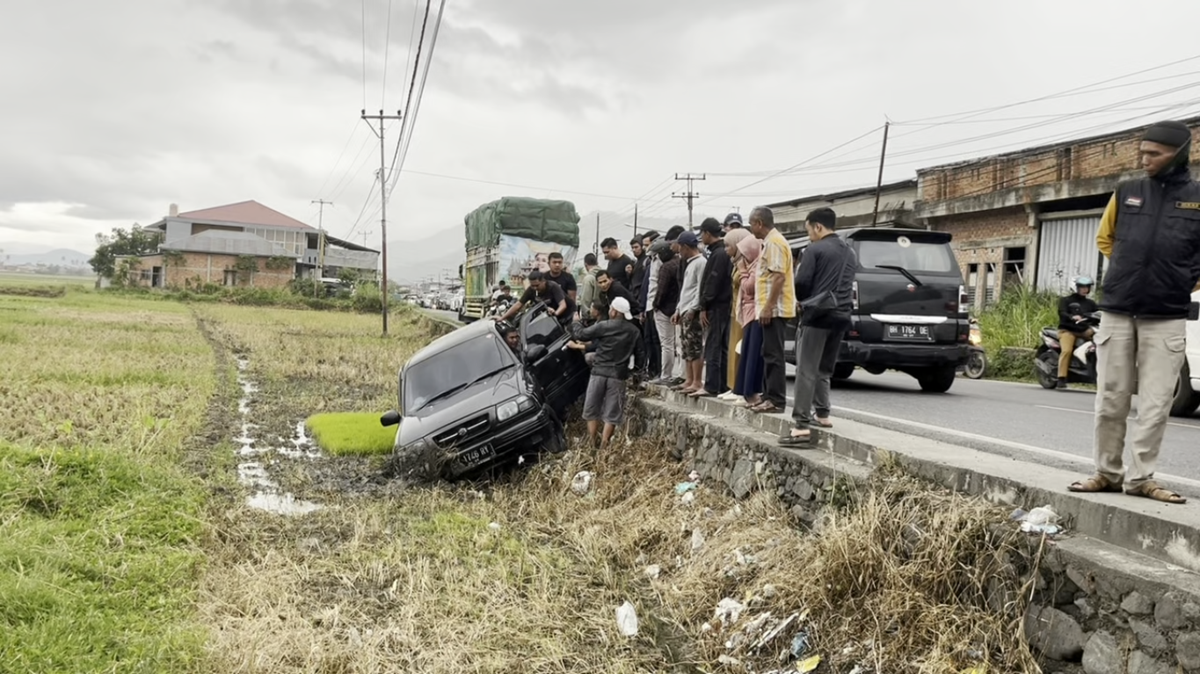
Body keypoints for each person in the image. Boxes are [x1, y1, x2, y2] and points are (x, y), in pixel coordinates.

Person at [1068, 119, 1200, 505]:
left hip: (1168, 314)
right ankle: (1107, 473)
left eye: (1154, 154)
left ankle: (1142, 478)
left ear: (1179, 154)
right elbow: (1105, 238)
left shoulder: (1197, 197)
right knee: (1111, 398)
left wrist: (1181, 279)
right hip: (1119, 311)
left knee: (1157, 403)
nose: (1145, 160)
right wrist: (1129, 270)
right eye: (1142, 152)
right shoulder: (1126, 192)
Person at [780, 208, 855, 446]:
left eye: (809, 229)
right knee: (824, 368)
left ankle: (801, 426)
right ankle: (823, 414)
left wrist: (801, 301)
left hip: (818, 314)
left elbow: (801, 283)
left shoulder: (814, 249)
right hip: (842, 315)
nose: (809, 234)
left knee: (806, 370)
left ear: (818, 227)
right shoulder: (850, 252)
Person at [567, 297, 645, 449]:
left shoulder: (604, 326)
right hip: (618, 376)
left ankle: (592, 442)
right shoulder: (634, 330)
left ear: (614, 311)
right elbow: (641, 355)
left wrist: (576, 322)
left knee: (592, 409)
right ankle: (604, 445)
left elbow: (581, 335)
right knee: (612, 414)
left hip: (599, 372)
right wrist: (635, 374)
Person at [747, 206, 795, 413]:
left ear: (759, 223)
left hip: (775, 309)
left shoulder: (775, 242)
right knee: (767, 352)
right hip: (769, 308)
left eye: (751, 224)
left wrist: (768, 307)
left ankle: (776, 400)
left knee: (774, 354)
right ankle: (768, 395)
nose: (751, 229)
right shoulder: (770, 242)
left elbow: (778, 277)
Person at [697, 218, 733, 397]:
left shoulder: (718, 254)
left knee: (713, 345)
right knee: (723, 346)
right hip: (725, 305)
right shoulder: (720, 252)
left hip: (717, 306)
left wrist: (703, 305)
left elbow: (712, 282)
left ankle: (711, 385)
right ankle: (723, 385)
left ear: (707, 233)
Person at [730, 233, 765, 407]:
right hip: (748, 313)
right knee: (747, 353)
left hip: (755, 312)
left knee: (753, 354)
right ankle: (745, 391)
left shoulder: (757, 265)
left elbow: (749, 287)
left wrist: (743, 271)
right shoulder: (750, 264)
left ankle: (752, 392)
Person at [720, 228, 754, 401]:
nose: (726, 250)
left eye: (728, 246)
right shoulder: (736, 262)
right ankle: (733, 385)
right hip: (736, 311)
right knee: (733, 349)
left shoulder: (747, 262)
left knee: (742, 350)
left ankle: (742, 388)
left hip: (745, 312)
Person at [673, 231, 708, 394]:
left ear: (686, 247)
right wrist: (678, 309)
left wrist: (694, 308)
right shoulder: (690, 263)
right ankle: (688, 379)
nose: (679, 251)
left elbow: (700, 288)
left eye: (680, 247)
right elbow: (685, 290)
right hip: (684, 308)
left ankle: (696, 381)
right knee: (686, 347)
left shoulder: (701, 262)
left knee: (694, 347)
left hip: (691, 310)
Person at [1056, 276, 1098, 390]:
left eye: (1087, 287)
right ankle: (1061, 378)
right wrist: (1072, 317)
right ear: (1076, 287)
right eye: (1082, 287)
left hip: (1084, 330)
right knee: (1067, 351)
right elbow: (1062, 312)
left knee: (1101, 342)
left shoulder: (1091, 303)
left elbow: (1097, 313)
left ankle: (1094, 373)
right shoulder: (1065, 300)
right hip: (1068, 330)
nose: (1085, 289)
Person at [652, 242, 682, 385]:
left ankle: (666, 375)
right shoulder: (681, 263)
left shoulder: (666, 267)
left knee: (667, 344)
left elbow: (661, 290)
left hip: (664, 310)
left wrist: (655, 305)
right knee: (680, 344)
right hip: (679, 308)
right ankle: (682, 375)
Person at [496, 270, 573, 325]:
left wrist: (555, 314)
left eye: (537, 285)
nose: (535, 288)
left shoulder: (553, 286)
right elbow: (518, 305)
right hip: (551, 318)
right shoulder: (531, 290)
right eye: (532, 285)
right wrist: (502, 318)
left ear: (543, 281)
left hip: (566, 316)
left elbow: (563, 305)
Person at [638, 231, 662, 378]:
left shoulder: (660, 261)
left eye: (647, 245)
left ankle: (658, 371)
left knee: (657, 341)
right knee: (648, 340)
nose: (646, 248)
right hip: (647, 306)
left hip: (655, 306)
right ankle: (651, 370)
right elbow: (645, 287)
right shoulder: (648, 262)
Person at [577, 253, 599, 320]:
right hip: (602, 314)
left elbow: (585, 300)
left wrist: (585, 317)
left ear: (585, 265)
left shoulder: (588, 278)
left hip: (592, 317)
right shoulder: (604, 275)